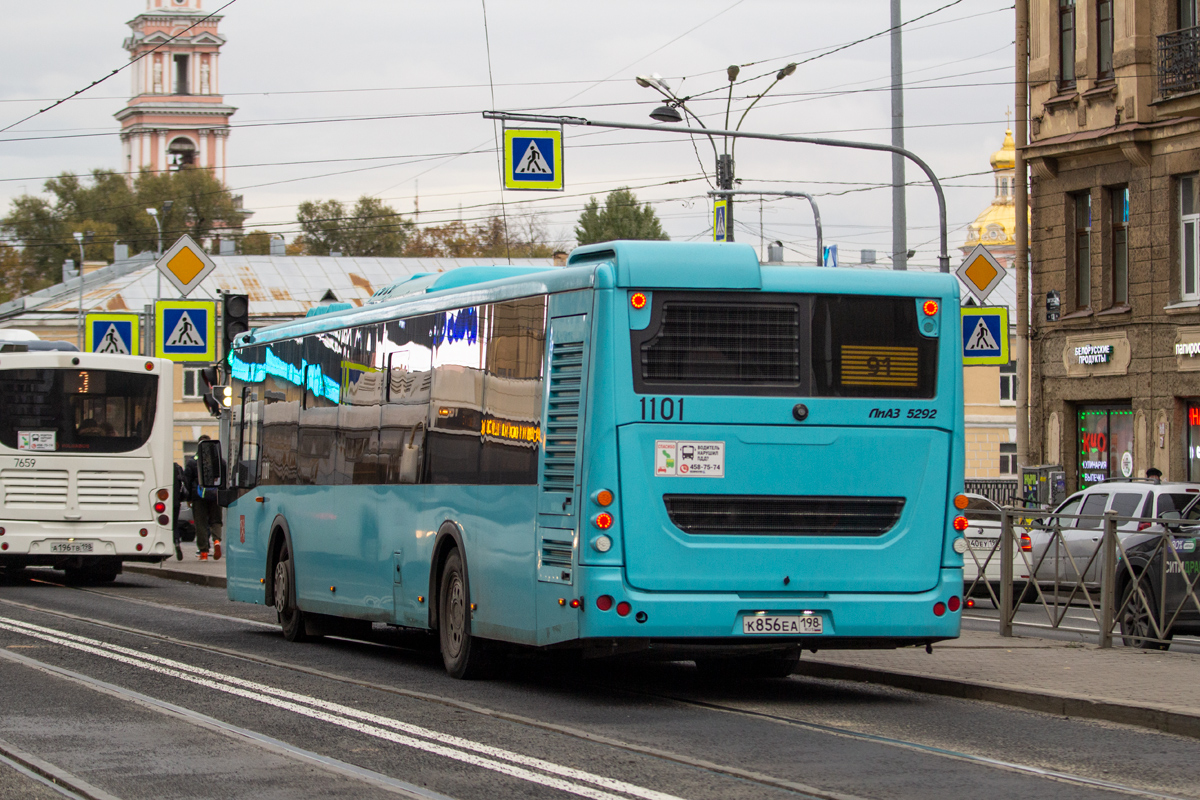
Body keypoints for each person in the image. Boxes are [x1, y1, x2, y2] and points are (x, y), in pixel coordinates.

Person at [184, 437, 223, 560]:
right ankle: (217, 541)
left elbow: (187, 482)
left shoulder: (192, 462)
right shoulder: (219, 460)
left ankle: (204, 552)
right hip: (215, 495)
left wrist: (189, 498)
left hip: (199, 496)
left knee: (201, 523)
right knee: (216, 520)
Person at [172, 462, 187, 561]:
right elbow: (184, 482)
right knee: (174, 524)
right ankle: (177, 541)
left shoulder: (158, 465)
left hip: (162, 501)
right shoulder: (177, 467)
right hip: (176, 502)